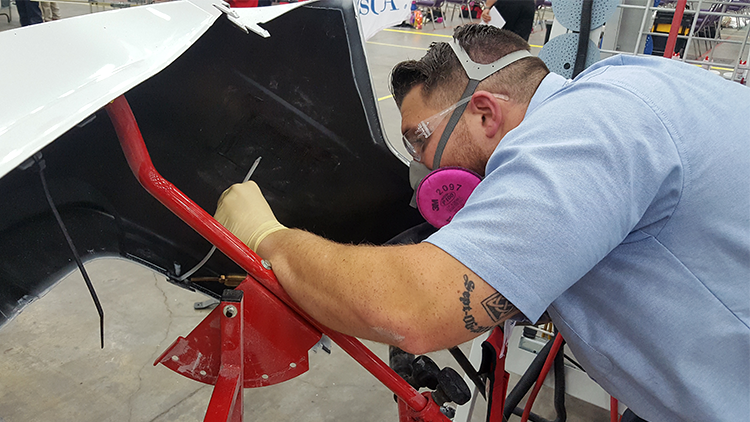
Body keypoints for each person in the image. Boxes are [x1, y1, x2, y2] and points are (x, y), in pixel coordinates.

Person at [215, 24, 749, 422]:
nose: (420, 169)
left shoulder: (592, 126)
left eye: (419, 140)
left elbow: (412, 310)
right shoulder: (626, 88)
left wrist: (269, 237)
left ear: (487, 113)